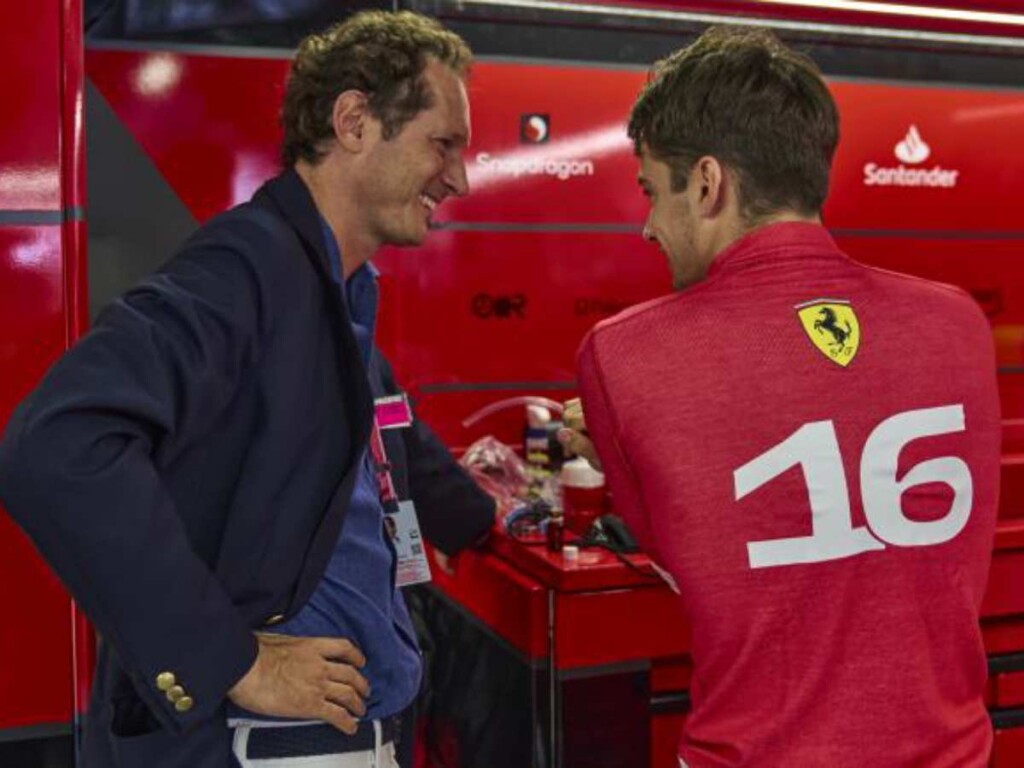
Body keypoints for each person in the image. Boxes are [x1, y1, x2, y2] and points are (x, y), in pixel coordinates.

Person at [0, 10, 494, 768]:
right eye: (443, 143)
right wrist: (230, 661)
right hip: (264, 747)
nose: (458, 177)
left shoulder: (332, 291)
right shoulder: (247, 267)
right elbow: (59, 443)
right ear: (355, 121)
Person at [559, 26, 1000, 768]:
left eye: (650, 192)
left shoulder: (621, 354)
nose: (646, 227)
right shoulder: (957, 321)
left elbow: (681, 558)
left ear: (706, 183)